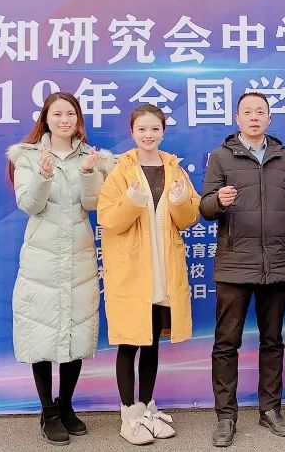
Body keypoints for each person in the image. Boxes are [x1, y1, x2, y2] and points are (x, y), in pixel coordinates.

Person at [199, 92, 285, 447]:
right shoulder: (221, 156)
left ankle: (270, 409)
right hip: (234, 265)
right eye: (248, 112)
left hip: (275, 264)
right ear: (237, 118)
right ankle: (226, 417)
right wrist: (218, 200)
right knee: (226, 343)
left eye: (261, 112)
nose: (254, 117)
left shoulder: (282, 156)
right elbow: (205, 207)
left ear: (269, 118)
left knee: (273, 341)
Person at [6, 91, 110, 445]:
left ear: (78, 119)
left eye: (70, 114)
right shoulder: (28, 156)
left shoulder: (91, 156)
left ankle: (66, 405)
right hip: (43, 258)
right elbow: (29, 205)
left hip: (79, 255)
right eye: (58, 114)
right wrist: (43, 175)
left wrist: (88, 173)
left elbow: (94, 204)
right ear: (46, 119)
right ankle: (48, 411)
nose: (64, 120)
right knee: (41, 333)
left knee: (75, 331)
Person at [97, 104, 201, 445]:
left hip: (164, 271)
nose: (148, 135)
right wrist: (131, 199)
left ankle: (146, 407)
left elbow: (188, 218)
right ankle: (129, 415)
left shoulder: (174, 169)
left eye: (154, 129)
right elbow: (108, 219)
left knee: (153, 342)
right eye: (141, 129)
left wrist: (181, 200)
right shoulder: (120, 171)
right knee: (130, 343)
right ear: (132, 132)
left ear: (163, 132)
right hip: (132, 273)